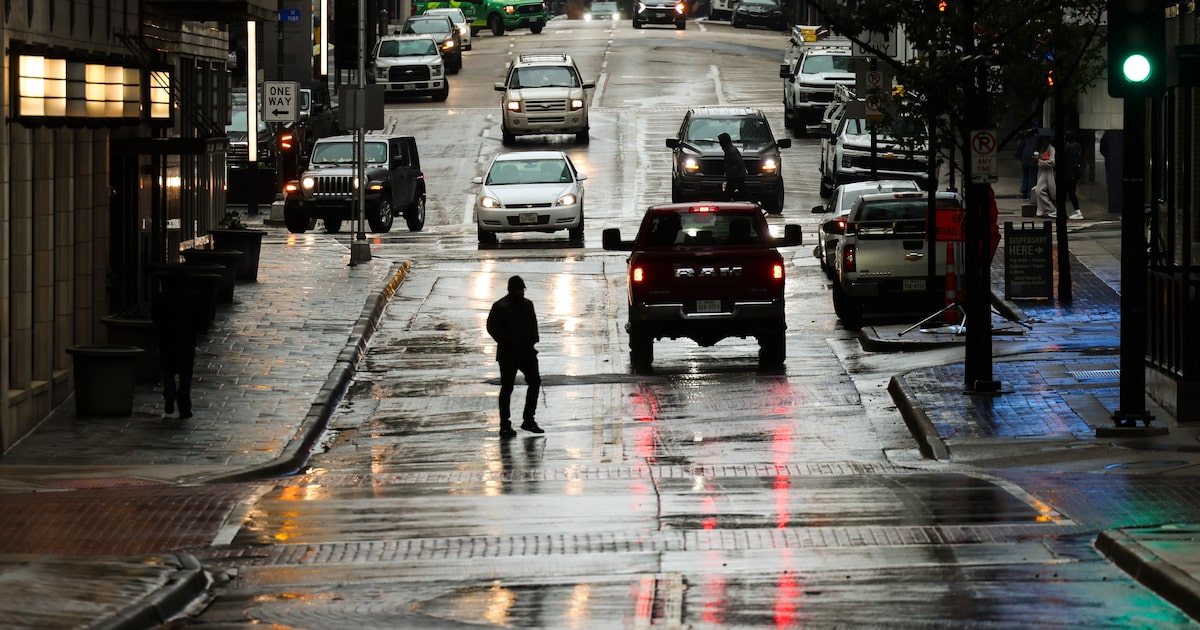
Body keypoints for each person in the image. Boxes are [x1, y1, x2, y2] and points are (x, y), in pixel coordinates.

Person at [486, 275, 543, 437]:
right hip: (509, 354)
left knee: (534, 383)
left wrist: (532, 341)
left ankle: (528, 420)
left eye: (522, 289)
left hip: (524, 352)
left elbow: (533, 325)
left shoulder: (526, 305)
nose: (521, 292)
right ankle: (505, 423)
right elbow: (492, 328)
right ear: (512, 290)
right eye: (519, 289)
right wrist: (507, 341)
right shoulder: (501, 306)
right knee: (507, 388)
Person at [152, 267, 204, 419]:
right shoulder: (193, 297)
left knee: (168, 370)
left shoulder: (163, 296)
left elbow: (155, 316)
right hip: (186, 341)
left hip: (167, 339)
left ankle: (169, 390)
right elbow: (201, 321)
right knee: (185, 374)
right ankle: (184, 406)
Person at [718, 132, 747, 202]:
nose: (720, 144)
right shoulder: (730, 150)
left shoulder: (731, 151)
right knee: (744, 193)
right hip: (736, 177)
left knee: (728, 194)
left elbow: (739, 163)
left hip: (735, 177)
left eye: (720, 142)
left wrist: (730, 172)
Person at [1062, 132, 1085, 220]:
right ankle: (1076, 210)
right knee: (1071, 191)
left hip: (1068, 172)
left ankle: (1077, 211)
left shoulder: (1067, 148)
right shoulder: (1077, 147)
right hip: (1074, 172)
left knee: (1069, 192)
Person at [1033, 135, 1057, 218]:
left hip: (1047, 173)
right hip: (1041, 172)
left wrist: (1039, 161)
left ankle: (1050, 208)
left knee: (1039, 190)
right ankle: (1043, 210)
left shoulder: (1051, 149)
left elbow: (1052, 162)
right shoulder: (1042, 148)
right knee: (1039, 190)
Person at [1014, 124, 1039, 199]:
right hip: (1032, 158)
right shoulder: (1037, 139)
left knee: (1025, 175)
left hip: (1024, 158)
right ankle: (1030, 192)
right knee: (1032, 175)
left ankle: (1024, 191)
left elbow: (1020, 147)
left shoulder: (1025, 138)